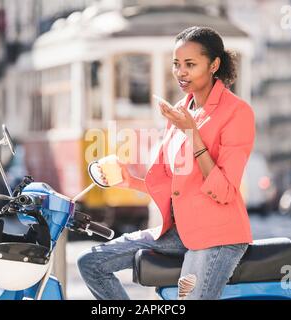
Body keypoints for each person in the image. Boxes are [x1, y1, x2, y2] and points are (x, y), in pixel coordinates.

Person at [77, 26, 255, 300]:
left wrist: (192, 134)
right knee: (91, 263)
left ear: (214, 64)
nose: (180, 72)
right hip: (179, 232)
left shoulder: (237, 112)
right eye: (176, 64)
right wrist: (128, 180)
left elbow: (225, 191)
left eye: (190, 64)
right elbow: (174, 186)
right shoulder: (182, 111)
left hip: (217, 237)